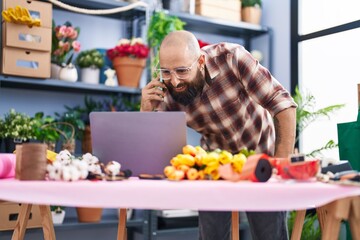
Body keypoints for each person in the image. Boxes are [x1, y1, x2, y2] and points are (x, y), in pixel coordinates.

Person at [141, 30, 297, 240]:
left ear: (201, 61)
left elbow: (284, 106)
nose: (175, 81)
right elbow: (152, 151)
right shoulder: (164, 89)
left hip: (261, 155)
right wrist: (145, 110)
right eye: (166, 72)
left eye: (182, 70)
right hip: (215, 166)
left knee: (270, 235)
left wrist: (280, 165)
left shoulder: (232, 58)